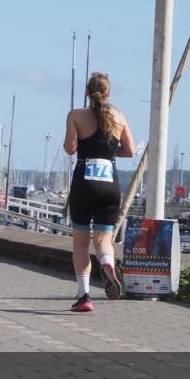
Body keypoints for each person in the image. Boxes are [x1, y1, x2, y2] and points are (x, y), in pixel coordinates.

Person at [63, 72, 135, 312]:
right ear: (108, 93)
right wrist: (109, 152)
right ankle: (107, 262)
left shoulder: (75, 115)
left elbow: (70, 149)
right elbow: (130, 151)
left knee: (81, 243)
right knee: (104, 240)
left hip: (84, 184)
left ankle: (84, 296)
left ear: (87, 92)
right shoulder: (119, 116)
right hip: (110, 184)